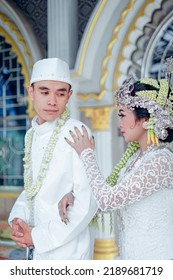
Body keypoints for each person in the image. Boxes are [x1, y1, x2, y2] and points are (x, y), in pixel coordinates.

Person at [59, 75, 173, 259]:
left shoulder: (161, 161)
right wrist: (76, 196)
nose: (119, 123)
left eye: (122, 115)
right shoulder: (137, 158)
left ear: (146, 119)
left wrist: (87, 154)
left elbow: (108, 201)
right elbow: (107, 200)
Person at [8, 57, 98, 260]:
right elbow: (32, 187)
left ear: (69, 96)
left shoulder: (77, 131)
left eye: (60, 93)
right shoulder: (31, 134)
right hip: (36, 247)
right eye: (44, 91)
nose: (52, 101)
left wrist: (38, 237)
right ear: (31, 92)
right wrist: (18, 218)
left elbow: (88, 200)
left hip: (68, 250)